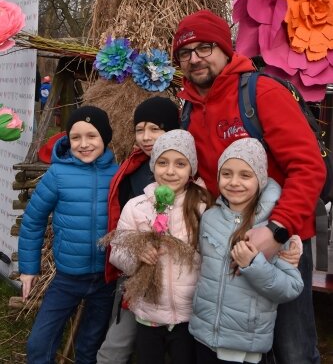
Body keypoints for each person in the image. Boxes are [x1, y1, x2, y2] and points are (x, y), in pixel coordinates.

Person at [172, 9, 327, 364]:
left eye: (204, 47)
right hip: (231, 246)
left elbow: (308, 167)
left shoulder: (261, 93)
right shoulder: (189, 110)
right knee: (238, 349)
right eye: (185, 52)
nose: (194, 58)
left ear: (226, 48)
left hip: (283, 242)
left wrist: (275, 231)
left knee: (292, 349)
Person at [18, 105, 119, 364]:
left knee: (89, 348)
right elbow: (33, 220)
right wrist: (29, 268)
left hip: (106, 279)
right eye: (76, 137)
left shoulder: (117, 174)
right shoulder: (58, 174)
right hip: (68, 277)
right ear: (68, 139)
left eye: (92, 136)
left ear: (105, 137)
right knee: (39, 344)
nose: (84, 144)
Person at [190, 137, 304, 364]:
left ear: (260, 179)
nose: (234, 182)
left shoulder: (272, 230)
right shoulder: (209, 217)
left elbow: (291, 287)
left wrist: (253, 265)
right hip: (203, 338)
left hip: (244, 348)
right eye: (227, 173)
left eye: (245, 175)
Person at [109, 129, 214, 364]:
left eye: (180, 164)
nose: (170, 171)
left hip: (190, 314)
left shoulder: (202, 205)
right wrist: (137, 254)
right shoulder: (137, 207)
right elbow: (117, 253)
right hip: (149, 313)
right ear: (153, 166)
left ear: (191, 169)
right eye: (163, 162)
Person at [97, 96, 180, 364]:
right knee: (120, 338)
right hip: (135, 266)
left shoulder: (184, 170)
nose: (145, 137)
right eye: (139, 129)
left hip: (176, 274)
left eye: (155, 129)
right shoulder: (132, 168)